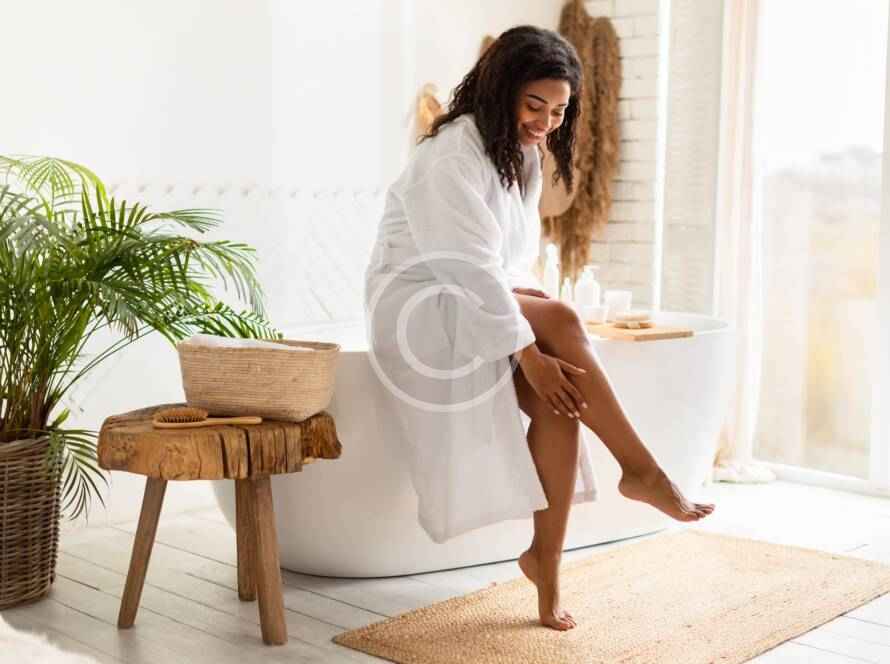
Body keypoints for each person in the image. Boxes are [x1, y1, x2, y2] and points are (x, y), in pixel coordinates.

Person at [363, 25, 715, 632]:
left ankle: (544, 565)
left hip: (468, 294)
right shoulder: (449, 155)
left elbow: (505, 259)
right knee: (562, 321)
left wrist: (525, 305)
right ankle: (643, 470)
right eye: (534, 105)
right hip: (415, 306)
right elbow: (464, 265)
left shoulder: (519, 153)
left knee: (563, 401)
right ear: (501, 89)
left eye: (558, 111)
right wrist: (528, 352)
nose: (546, 122)